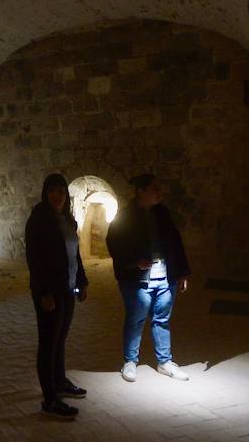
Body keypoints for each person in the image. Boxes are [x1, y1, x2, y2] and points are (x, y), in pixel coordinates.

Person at [105, 173, 192, 383]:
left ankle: (165, 362)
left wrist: (181, 271)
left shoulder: (163, 214)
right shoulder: (126, 216)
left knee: (162, 320)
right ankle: (130, 362)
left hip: (165, 277)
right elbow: (114, 244)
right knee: (136, 320)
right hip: (137, 279)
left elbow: (175, 242)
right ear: (141, 192)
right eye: (154, 189)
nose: (159, 193)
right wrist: (134, 261)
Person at [25, 173, 90, 418]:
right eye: (52, 191)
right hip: (49, 291)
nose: (57, 195)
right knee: (48, 342)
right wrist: (43, 292)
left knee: (60, 338)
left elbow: (75, 254)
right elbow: (34, 259)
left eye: (61, 191)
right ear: (45, 193)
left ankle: (60, 381)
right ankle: (49, 399)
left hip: (67, 287)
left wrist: (81, 280)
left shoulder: (67, 220)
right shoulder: (38, 220)